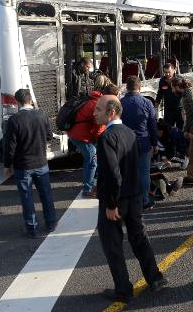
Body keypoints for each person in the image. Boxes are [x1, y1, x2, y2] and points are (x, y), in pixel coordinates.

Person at [93, 95, 167, 302]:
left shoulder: (106, 138)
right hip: (134, 196)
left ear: (111, 112)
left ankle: (123, 290)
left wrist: (110, 204)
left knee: (113, 245)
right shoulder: (130, 133)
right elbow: (130, 168)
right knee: (139, 238)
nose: (94, 112)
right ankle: (155, 278)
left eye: (98, 109)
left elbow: (113, 175)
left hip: (117, 201)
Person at [3, 89, 57, 238]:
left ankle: (32, 228)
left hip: (23, 165)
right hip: (41, 162)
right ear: (31, 100)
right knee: (46, 194)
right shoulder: (42, 114)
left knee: (27, 197)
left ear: (17, 102)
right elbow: (49, 136)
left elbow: (10, 146)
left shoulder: (14, 120)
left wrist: (7, 165)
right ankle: (51, 223)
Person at [121, 76, 159, 210]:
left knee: (127, 173)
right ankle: (144, 200)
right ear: (140, 87)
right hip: (143, 141)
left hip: (125, 143)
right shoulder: (147, 103)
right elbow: (152, 126)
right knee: (144, 172)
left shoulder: (120, 103)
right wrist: (155, 143)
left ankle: (128, 201)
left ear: (127, 87)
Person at [67, 80, 108, 198]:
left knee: (89, 159)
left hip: (75, 133)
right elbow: (99, 126)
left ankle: (91, 182)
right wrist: (99, 139)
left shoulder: (90, 98)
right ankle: (88, 189)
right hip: (82, 136)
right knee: (92, 162)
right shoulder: (97, 104)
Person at [155, 63, 184, 129]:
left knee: (181, 129)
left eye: (169, 72)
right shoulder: (162, 81)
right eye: (165, 72)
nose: (167, 74)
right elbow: (160, 93)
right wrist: (156, 103)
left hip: (179, 109)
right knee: (168, 129)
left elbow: (185, 93)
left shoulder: (179, 79)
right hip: (168, 110)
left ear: (174, 70)